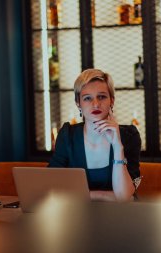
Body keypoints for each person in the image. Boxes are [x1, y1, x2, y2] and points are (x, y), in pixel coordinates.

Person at [49, 69, 141, 201]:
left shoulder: (129, 136)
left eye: (102, 96)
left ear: (112, 101)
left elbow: (123, 196)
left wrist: (117, 146)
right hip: (76, 216)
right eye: (87, 98)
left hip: (119, 217)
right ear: (78, 103)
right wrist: (103, 196)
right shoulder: (67, 135)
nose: (96, 104)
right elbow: (52, 187)